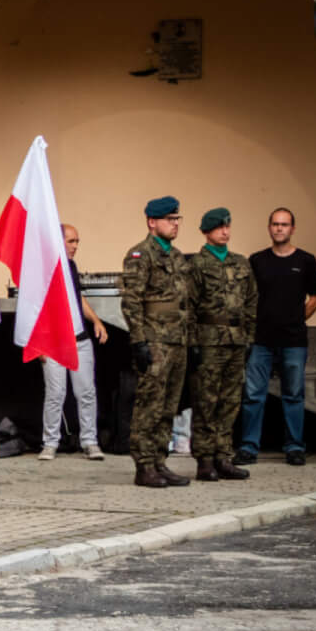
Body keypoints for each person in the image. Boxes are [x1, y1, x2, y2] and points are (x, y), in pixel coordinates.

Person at [119, 196, 195, 488]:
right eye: (169, 219)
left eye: (177, 219)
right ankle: (144, 465)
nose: (175, 224)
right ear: (152, 222)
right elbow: (132, 302)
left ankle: (160, 461)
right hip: (154, 342)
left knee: (168, 406)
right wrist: (139, 341)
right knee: (149, 405)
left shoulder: (176, 257)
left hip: (177, 342)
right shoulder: (140, 255)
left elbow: (184, 302)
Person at [240, 207, 316, 466]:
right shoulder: (257, 260)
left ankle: (295, 447)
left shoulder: (306, 261)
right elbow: (247, 298)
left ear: (292, 229)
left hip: (294, 341)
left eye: (284, 224)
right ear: (269, 227)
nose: (279, 228)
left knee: (294, 394)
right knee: (253, 395)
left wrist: (298, 318)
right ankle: (249, 447)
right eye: (275, 224)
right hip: (261, 340)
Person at [185, 207, 256, 481]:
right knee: (206, 400)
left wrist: (248, 337)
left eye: (227, 226)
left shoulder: (241, 263)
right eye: (219, 227)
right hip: (208, 342)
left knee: (230, 400)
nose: (225, 231)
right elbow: (189, 307)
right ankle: (204, 459)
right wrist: (193, 343)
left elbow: (251, 301)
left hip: (236, 342)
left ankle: (223, 456)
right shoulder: (196, 265)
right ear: (206, 231)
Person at [37, 223, 109, 461]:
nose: (76, 246)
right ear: (59, 241)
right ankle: (50, 443)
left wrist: (96, 321)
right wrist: (39, 343)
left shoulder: (71, 266)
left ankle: (90, 441)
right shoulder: (45, 269)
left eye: (77, 241)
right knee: (56, 393)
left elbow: (77, 297)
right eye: (71, 241)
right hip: (54, 343)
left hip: (79, 340)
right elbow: (37, 307)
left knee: (86, 392)